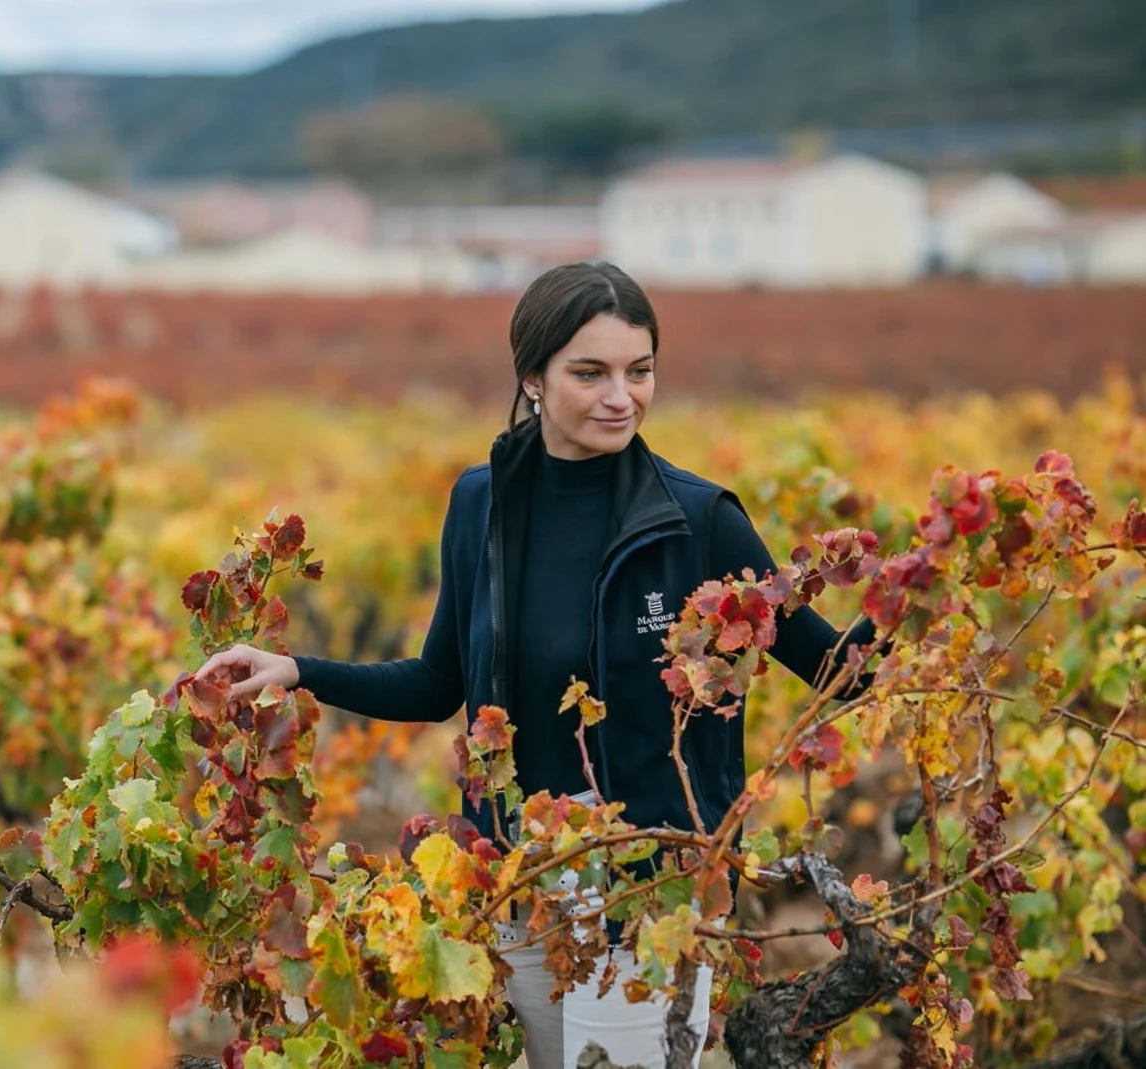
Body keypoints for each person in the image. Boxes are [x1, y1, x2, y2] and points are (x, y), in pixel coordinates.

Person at [193, 260, 878, 1069]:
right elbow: (440, 684)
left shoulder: (698, 522)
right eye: (590, 373)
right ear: (532, 378)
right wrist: (298, 670)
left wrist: (918, 590)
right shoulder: (480, 502)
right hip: (510, 881)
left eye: (639, 371)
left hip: (645, 890)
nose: (621, 396)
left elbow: (837, 669)